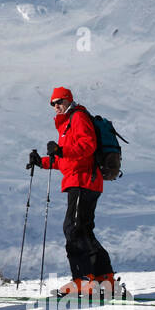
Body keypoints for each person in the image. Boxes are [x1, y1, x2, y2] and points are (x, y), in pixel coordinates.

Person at [27, 86, 116, 297]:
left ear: (68, 100)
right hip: (80, 180)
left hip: (84, 180)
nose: (56, 106)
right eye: (53, 103)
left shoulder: (78, 117)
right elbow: (67, 159)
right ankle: (105, 279)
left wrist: (61, 150)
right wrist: (43, 162)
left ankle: (83, 280)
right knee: (82, 230)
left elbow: (88, 146)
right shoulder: (66, 123)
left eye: (59, 101)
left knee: (74, 229)